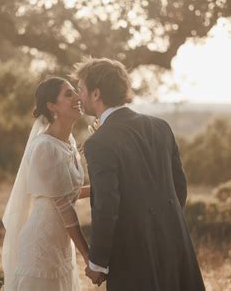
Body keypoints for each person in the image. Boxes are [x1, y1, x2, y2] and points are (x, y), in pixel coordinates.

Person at [73, 57, 205, 291]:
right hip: (175, 242)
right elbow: (179, 187)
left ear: (96, 94)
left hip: (133, 253)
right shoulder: (160, 126)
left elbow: (106, 204)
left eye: (81, 89)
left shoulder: (99, 142)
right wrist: (164, 225)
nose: (79, 96)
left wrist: (98, 262)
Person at [2, 77, 90, 291]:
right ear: (52, 106)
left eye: (75, 92)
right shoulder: (44, 147)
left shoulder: (67, 142)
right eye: (68, 94)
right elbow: (63, 205)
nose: (78, 97)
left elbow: (69, 192)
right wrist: (88, 256)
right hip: (42, 243)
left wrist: (108, 188)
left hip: (61, 242)